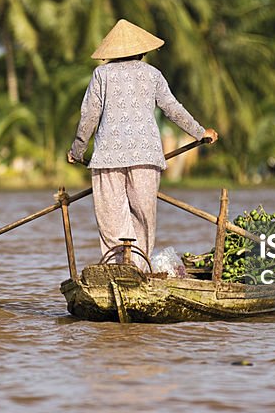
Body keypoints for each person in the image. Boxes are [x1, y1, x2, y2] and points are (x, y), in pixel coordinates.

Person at [68, 19, 218, 265]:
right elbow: (172, 108)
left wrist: (77, 151)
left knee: (111, 218)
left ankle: (116, 267)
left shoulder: (101, 75)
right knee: (143, 217)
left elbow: (89, 116)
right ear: (143, 51)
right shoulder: (152, 74)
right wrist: (200, 132)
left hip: (108, 158)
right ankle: (138, 267)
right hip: (145, 157)